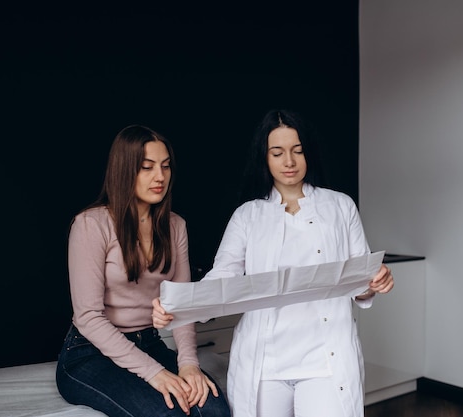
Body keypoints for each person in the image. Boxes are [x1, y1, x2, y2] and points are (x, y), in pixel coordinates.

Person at [152, 109, 394, 417]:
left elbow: (360, 281)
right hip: (266, 360)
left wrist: (374, 282)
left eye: (297, 151)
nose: (289, 162)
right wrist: (177, 305)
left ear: (309, 152)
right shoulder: (248, 215)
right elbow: (223, 276)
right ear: (264, 158)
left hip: (325, 359)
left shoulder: (340, 206)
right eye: (277, 153)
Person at [56, 125, 231, 417]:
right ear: (125, 170)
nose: (160, 176)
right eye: (146, 167)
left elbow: (181, 303)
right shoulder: (90, 225)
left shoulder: (175, 225)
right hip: (87, 353)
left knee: (213, 409)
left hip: (148, 341)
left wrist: (188, 365)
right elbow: (87, 317)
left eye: (165, 166)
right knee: (168, 413)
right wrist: (155, 373)